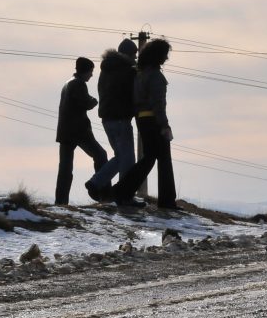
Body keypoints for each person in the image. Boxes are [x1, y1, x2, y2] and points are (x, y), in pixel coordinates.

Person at [109, 38, 178, 210]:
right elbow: (158, 104)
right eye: (165, 55)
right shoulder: (156, 76)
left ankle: (125, 190)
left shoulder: (140, 74)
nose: (166, 59)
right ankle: (165, 201)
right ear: (158, 56)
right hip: (154, 120)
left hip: (142, 119)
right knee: (161, 160)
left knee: (150, 158)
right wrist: (165, 125)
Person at [85, 39, 138, 202]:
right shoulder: (127, 70)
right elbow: (131, 94)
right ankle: (125, 196)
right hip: (121, 119)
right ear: (129, 54)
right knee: (128, 159)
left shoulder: (106, 69)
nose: (135, 58)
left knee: (120, 156)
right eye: (134, 55)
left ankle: (96, 182)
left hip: (107, 119)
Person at [54, 57, 107, 205]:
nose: (91, 75)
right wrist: (94, 101)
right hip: (79, 132)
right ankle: (102, 191)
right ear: (86, 71)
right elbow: (85, 103)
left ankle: (61, 201)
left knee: (65, 168)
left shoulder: (68, 83)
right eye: (91, 71)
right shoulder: (79, 84)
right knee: (101, 155)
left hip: (65, 131)